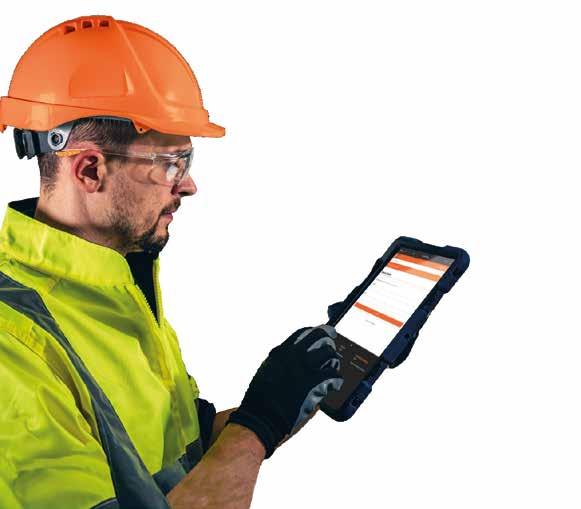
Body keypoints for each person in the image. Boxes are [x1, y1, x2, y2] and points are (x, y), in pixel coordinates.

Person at [0, 15, 344, 509]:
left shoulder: (118, 287)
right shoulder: (13, 345)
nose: (188, 184)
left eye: (188, 161)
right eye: (170, 163)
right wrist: (256, 427)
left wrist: (291, 393)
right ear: (90, 169)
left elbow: (172, 464)